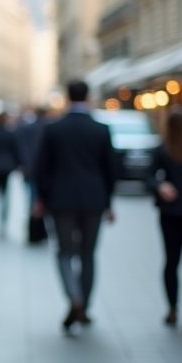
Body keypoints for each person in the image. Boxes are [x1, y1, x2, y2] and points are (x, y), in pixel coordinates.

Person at [33, 81, 118, 334]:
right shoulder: (101, 129)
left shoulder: (54, 129)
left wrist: (41, 198)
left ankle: (74, 297)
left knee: (64, 251)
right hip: (94, 200)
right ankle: (85, 305)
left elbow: (40, 168)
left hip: (61, 200)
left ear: (67, 97)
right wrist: (109, 202)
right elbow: (111, 170)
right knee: (88, 254)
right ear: (88, 97)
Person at [146, 108, 182, 327]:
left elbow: (148, 176)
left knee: (171, 261)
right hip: (171, 212)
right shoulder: (163, 150)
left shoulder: (163, 149)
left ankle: (172, 307)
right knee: (172, 262)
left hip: (170, 213)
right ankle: (172, 307)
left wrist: (161, 186)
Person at [17, 107, 51, 243]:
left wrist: (24, 164)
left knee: (32, 200)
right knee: (44, 200)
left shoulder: (27, 128)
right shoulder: (50, 128)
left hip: (31, 169)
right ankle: (40, 231)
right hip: (46, 171)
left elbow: (21, 148)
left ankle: (34, 231)